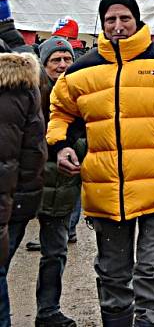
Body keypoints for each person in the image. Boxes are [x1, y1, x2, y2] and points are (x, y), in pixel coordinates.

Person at [48, 0, 154, 327]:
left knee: (153, 269)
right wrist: (61, 145)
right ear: (102, 23)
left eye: (125, 17)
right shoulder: (82, 70)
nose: (118, 25)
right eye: (111, 19)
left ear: (137, 20)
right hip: (105, 189)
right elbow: (59, 112)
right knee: (112, 271)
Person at [28, 37, 84, 327]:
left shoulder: (79, 94)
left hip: (60, 188)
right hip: (26, 186)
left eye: (67, 59)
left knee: (55, 253)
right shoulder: (31, 92)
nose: (62, 65)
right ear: (44, 62)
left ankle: (48, 311)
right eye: (56, 60)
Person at [0, 0, 47, 327]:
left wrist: (20, 206)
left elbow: (33, 150)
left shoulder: (19, 77)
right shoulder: (27, 74)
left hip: (10, 201)